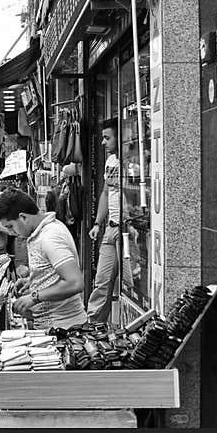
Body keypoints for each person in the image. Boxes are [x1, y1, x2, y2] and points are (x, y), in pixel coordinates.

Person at [0, 190, 86, 330]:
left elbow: (75, 283)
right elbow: (54, 271)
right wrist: (34, 280)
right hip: (52, 326)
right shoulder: (42, 232)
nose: (11, 232)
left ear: (23, 217)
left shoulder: (50, 237)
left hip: (65, 327)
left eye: (10, 226)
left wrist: (34, 297)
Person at [87, 118, 129, 323]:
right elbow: (105, 193)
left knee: (130, 283)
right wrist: (97, 223)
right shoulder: (111, 161)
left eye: (107, 138)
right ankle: (93, 325)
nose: (103, 143)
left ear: (120, 138)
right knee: (101, 281)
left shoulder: (132, 161)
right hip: (110, 229)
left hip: (128, 229)